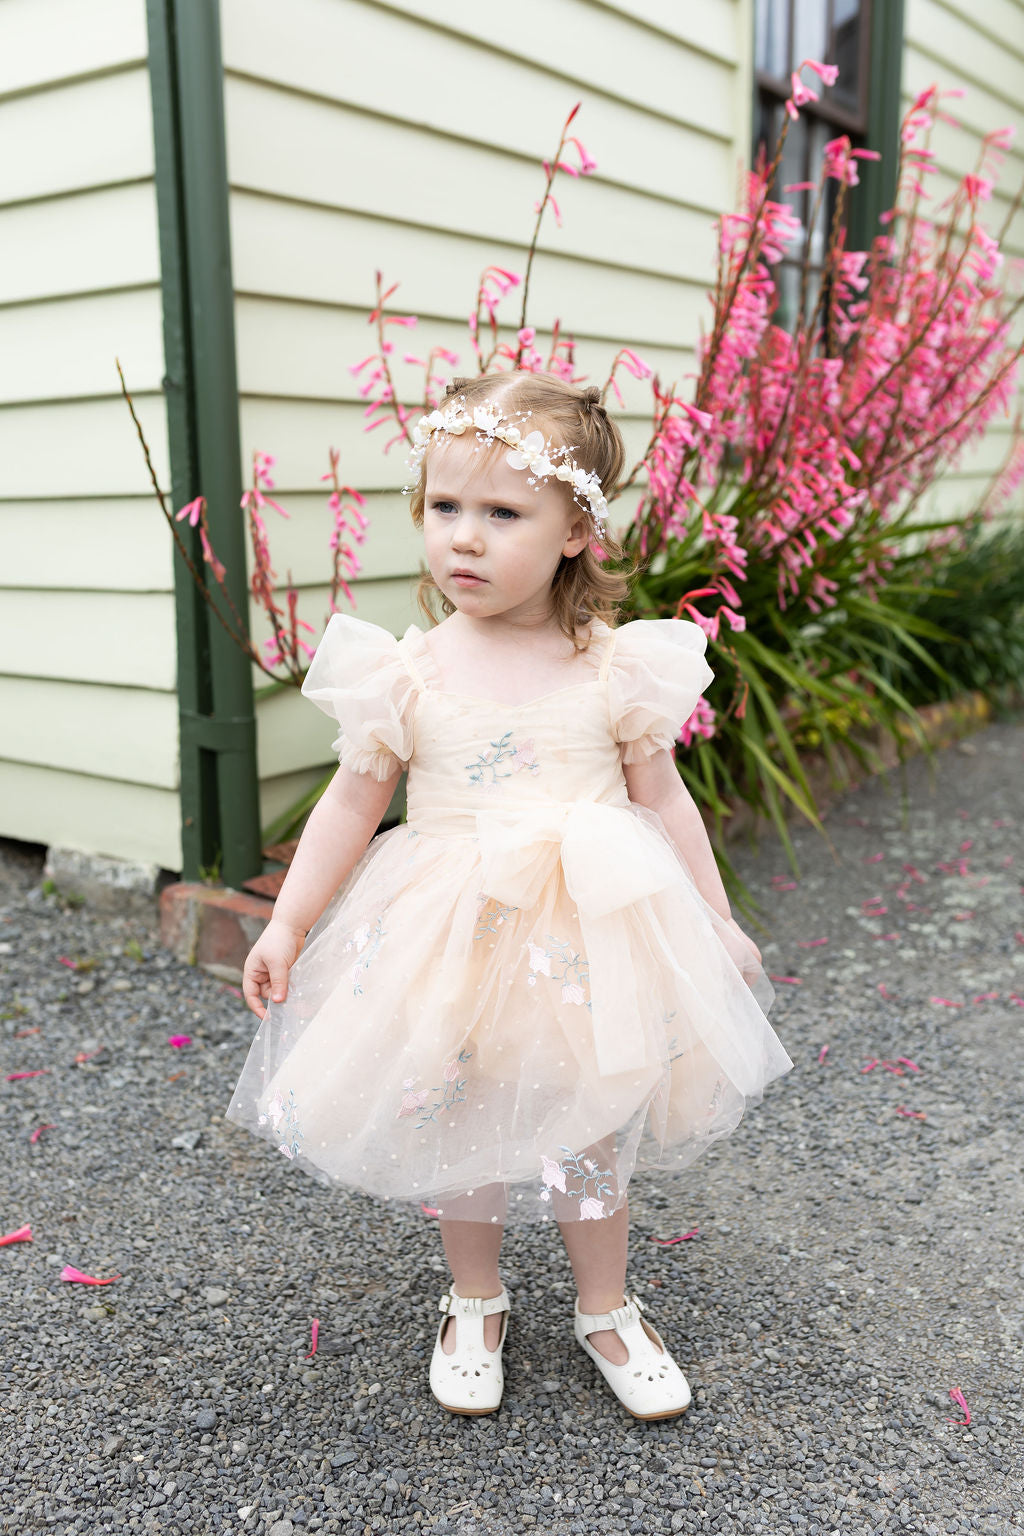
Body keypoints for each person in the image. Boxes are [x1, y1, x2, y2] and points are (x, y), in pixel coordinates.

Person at [226, 371, 792, 1421]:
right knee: (457, 1108)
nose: (464, 538)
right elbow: (351, 805)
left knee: (589, 1119)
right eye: (445, 507)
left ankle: (605, 1307)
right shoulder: (406, 674)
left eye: (501, 513)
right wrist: (289, 923)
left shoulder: (614, 668)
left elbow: (663, 801)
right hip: (454, 933)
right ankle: (475, 1298)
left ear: (575, 531)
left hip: (587, 939)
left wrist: (716, 922)